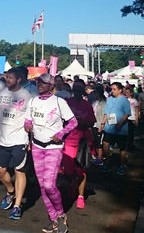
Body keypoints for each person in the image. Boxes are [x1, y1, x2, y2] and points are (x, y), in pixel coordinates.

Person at [24, 73, 76, 233]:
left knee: (49, 185)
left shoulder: (59, 102)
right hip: (37, 146)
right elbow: (28, 120)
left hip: (53, 148)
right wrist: (28, 126)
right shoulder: (32, 101)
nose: (39, 85)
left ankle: (61, 215)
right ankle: (54, 220)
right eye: (38, 82)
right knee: (42, 186)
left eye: (43, 83)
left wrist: (60, 134)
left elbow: (73, 122)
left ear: (51, 86)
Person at [0, 66, 34, 220]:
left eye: (10, 78)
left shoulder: (27, 96)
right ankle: (10, 191)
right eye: (6, 77)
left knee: (20, 171)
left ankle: (17, 205)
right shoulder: (0, 94)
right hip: (2, 139)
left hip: (19, 139)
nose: (6, 80)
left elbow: (30, 120)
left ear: (19, 80)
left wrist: (30, 140)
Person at [62, 80, 95, 210]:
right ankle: (72, 184)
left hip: (83, 142)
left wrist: (82, 122)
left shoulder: (87, 105)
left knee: (81, 171)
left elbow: (92, 123)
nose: (77, 92)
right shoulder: (66, 102)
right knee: (68, 171)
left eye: (79, 90)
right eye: (75, 90)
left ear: (82, 92)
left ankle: (80, 196)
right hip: (69, 140)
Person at [100, 82, 131, 176]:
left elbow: (127, 114)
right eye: (111, 89)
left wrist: (120, 124)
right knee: (105, 143)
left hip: (121, 129)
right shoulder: (109, 99)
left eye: (114, 89)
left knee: (122, 148)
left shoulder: (125, 100)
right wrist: (102, 123)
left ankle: (122, 165)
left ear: (120, 90)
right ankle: (107, 162)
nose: (112, 91)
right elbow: (106, 112)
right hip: (109, 127)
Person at [124, 85, 139, 151]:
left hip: (132, 118)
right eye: (125, 92)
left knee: (131, 133)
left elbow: (137, 110)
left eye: (127, 92)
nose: (126, 93)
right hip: (125, 118)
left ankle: (130, 146)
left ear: (131, 93)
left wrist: (136, 119)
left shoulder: (134, 101)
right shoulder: (124, 100)